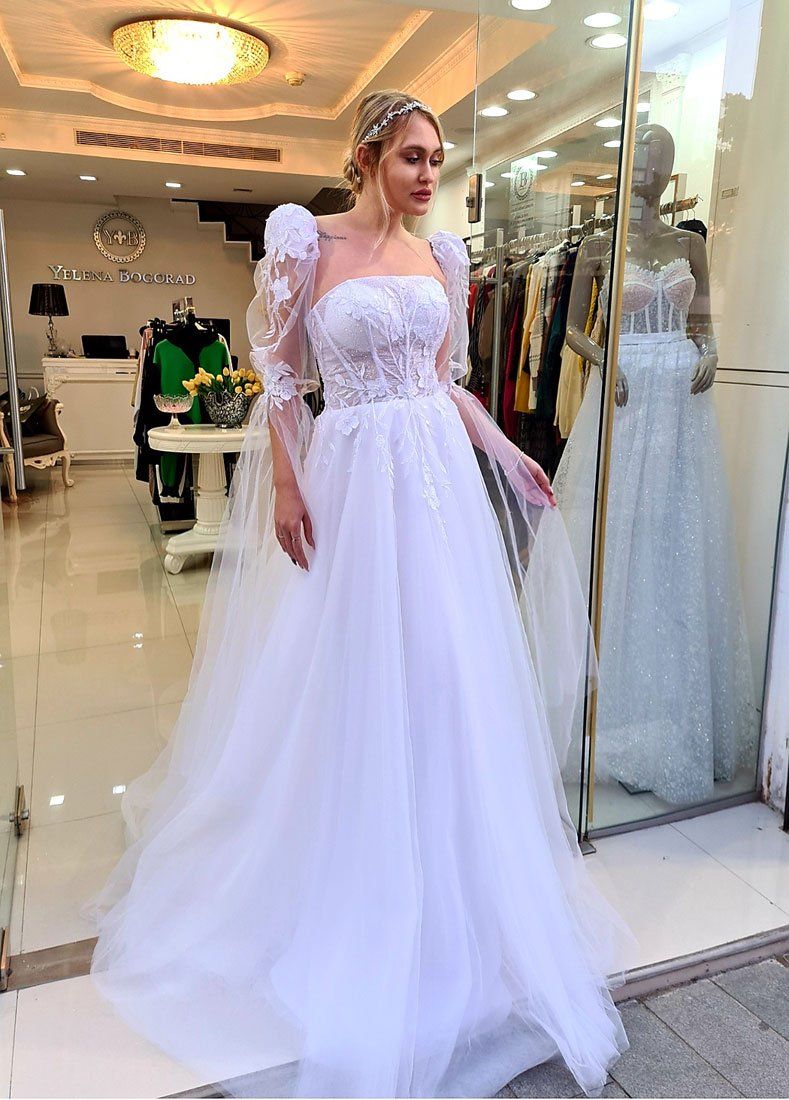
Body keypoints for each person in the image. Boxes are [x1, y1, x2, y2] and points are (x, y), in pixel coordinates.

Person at [81, 90, 636, 1099]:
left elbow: (448, 382)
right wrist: (288, 483)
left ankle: (452, 878)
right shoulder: (308, 242)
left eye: (437, 158)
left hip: (434, 485)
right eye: (412, 156)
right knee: (350, 670)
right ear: (370, 156)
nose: (428, 174)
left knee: (445, 670)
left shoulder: (443, 256)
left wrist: (505, 451)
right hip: (351, 482)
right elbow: (280, 375)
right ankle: (345, 868)